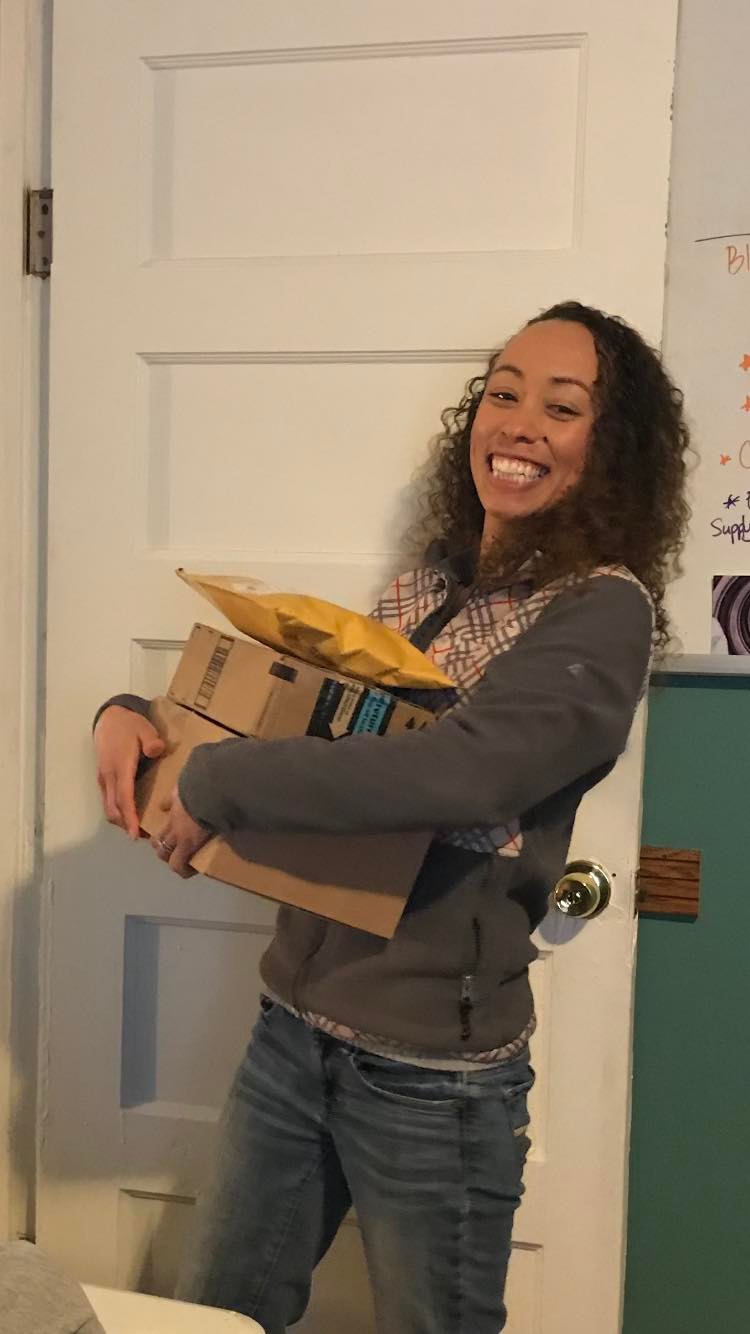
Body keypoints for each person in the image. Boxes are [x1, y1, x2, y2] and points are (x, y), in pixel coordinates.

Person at [93, 301, 689, 1334]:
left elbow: (460, 774)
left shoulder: (601, 611)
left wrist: (219, 782)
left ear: (613, 446)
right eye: (503, 394)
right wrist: (142, 719)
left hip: (433, 1077)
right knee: (217, 1316)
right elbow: (307, 721)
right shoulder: (433, 584)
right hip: (292, 1032)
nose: (519, 424)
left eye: (562, 407)